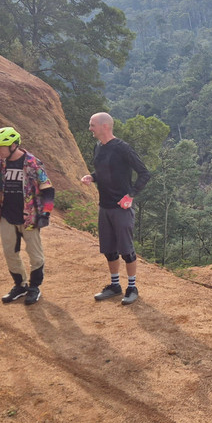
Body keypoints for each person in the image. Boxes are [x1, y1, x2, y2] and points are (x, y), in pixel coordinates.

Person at [81, 112, 150, 305]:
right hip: (105, 206)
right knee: (109, 250)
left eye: (92, 125)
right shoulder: (98, 147)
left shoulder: (122, 148)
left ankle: (132, 288)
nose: (90, 128)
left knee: (126, 250)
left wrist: (130, 195)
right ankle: (114, 286)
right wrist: (92, 177)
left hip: (121, 208)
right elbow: (103, 171)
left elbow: (144, 173)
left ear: (105, 126)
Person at [0, 126, 54, 305]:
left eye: (0, 147)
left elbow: (48, 189)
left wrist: (46, 213)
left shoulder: (32, 163)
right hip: (6, 215)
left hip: (29, 217)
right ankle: (20, 285)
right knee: (10, 252)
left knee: (35, 255)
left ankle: (34, 287)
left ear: (13, 145)